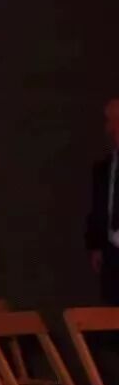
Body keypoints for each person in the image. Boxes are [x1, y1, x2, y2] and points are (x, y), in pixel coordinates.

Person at [86, 98, 119, 305]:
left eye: (111, 120)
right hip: (111, 251)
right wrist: (96, 245)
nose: (108, 127)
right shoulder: (104, 168)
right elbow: (98, 209)